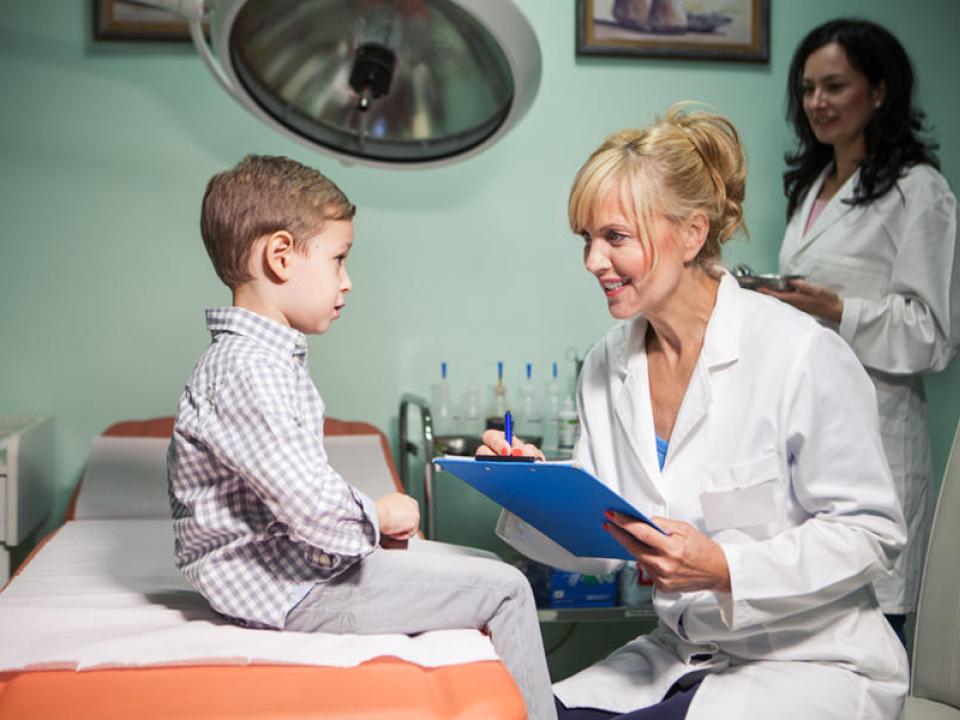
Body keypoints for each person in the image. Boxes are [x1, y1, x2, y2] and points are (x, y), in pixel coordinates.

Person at [483, 106, 909, 719]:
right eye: (587, 239)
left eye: (615, 237)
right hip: (679, 656)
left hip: (810, 663)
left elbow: (872, 534)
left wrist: (724, 566)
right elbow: (602, 545)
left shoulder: (800, 353)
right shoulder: (609, 364)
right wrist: (530, 489)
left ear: (691, 234)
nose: (593, 262)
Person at [167, 154, 557, 720]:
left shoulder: (256, 360)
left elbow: (289, 486)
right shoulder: (249, 369)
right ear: (280, 257)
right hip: (289, 591)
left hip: (293, 571)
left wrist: (371, 528)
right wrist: (378, 516)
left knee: (479, 564)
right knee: (507, 590)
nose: (347, 282)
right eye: (338, 259)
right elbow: (312, 508)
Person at [764, 18, 960, 643]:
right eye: (807, 89)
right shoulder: (812, 188)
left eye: (835, 86)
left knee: (874, 625)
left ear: (879, 91)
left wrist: (838, 309)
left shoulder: (920, 193)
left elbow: (934, 335)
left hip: (880, 432)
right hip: (804, 428)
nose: (817, 102)